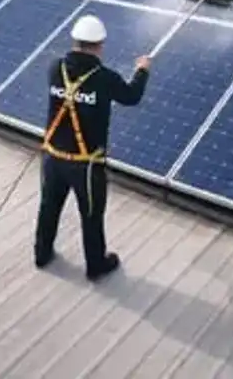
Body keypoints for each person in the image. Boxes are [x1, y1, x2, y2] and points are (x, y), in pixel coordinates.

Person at [34, 14, 151, 281]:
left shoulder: (55, 68)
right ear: (99, 45)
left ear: (75, 41)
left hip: (52, 158)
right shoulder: (104, 79)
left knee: (48, 206)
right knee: (91, 215)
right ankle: (96, 265)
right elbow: (132, 96)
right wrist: (142, 70)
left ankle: (42, 253)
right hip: (85, 165)